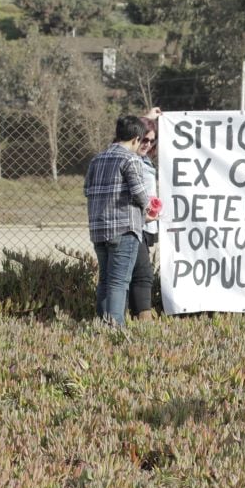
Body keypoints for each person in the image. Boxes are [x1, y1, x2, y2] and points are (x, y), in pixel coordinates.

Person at [84, 115, 152, 328]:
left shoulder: (97, 159)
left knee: (104, 280)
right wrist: (149, 209)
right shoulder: (130, 159)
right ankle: (114, 328)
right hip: (124, 228)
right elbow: (140, 194)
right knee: (119, 281)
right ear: (136, 139)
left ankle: (102, 323)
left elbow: (87, 190)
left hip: (99, 228)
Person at [128, 116, 161, 321]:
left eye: (151, 141)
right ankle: (143, 316)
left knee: (135, 270)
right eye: (143, 139)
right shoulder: (128, 159)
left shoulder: (145, 160)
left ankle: (132, 312)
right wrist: (146, 117)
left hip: (148, 224)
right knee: (143, 272)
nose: (147, 144)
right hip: (134, 222)